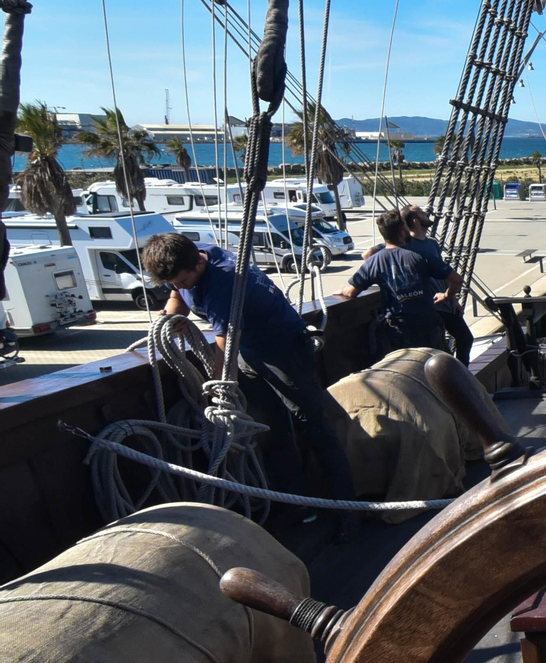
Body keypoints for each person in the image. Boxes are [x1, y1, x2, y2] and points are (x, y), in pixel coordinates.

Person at [142, 232, 358, 536]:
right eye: (171, 282)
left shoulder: (224, 283)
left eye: (181, 281)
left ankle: (347, 510)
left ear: (197, 266)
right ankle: (298, 505)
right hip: (250, 353)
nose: (177, 287)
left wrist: (219, 396)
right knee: (269, 428)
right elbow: (176, 296)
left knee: (314, 427)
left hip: (284, 352)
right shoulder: (185, 257)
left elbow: (225, 346)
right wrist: (174, 312)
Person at [339, 209, 461, 356]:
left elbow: (351, 291)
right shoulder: (421, 256)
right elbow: (457, 280)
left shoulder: (374, 262)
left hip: (398, 330)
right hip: (427, 324)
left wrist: (341, 292)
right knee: (437, 366)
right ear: (403, 232)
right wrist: (447, 296)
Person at [401, 205, 475, 365]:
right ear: (416, 221)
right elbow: (370, 253)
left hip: (445, 302)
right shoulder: (407, 245)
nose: (426, 212)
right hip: (429, 305)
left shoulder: (432, 243)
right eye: (421, 211)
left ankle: (462, 375)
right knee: (438, 349)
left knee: (466, 338)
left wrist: (453, 299)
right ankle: (447, 380)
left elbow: (445, 273)